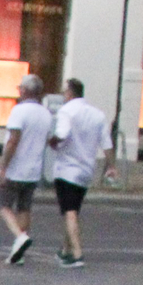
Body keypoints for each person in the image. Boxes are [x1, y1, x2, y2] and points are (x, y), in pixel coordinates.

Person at [45, 78, 111, 268]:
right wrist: (112, 166)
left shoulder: (67, 111)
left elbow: (63, 134)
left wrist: (53, 141)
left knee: (69, 210)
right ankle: (65, 250)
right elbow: (106, 143)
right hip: (86, 169)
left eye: (64, 92)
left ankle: (77, 253)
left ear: (70, 93)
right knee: (72, 210)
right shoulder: (97, 114)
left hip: (66, 168)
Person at [0, 75, 55, 264]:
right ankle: (18, 250)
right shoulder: (46, 114)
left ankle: (19, 237)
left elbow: (13, 140)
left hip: (16, 167)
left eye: (20, 88)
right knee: (24, 207)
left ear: (25, 91)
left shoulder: (19, 111)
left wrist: (3, 167)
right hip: (33, 168)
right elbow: (48, 139)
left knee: (2, 204)